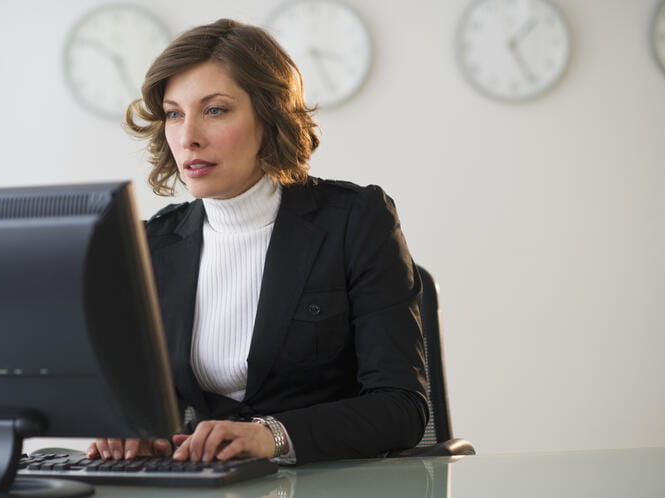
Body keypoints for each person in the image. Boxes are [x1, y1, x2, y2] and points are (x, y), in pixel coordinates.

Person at [87, 18, 428, 466]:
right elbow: (149, 403)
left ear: (269, 117)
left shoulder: (355, 220)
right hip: (212, 491)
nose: (188, 137)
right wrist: (139, 433)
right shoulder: (155, 242)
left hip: (335, 484)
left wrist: (274, 436)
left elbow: (402, 407)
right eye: (174, 113)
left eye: (215, 110)